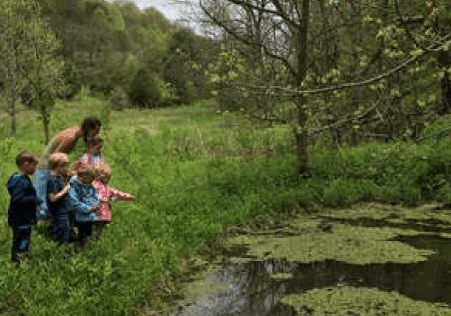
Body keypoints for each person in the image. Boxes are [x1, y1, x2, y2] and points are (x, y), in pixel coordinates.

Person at [34, 117, 101, 224]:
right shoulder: (71, 137)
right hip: (46, 169)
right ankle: (45, 230)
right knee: (43, 201)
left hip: (52, 168)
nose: (96, 134)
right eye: (95, 131)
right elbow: (55, 157)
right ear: (88, 128)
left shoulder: (75, 134)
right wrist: (65, 172)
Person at [6, 151, 43, 266]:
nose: (35, 169)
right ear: (26, 165)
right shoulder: (21, 181)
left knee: (23, 238)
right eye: (34, 166)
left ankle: (21, 256)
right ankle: (19, 260)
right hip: (21, 218)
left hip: (22, 217)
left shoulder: (19, 178)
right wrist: (34, 200)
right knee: (22, 238)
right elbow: (18, 199)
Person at [92, 163, 137, 240]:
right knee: (95, 233)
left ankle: (91, 245)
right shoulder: (96, 186)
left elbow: (116, 195)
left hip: (101, 215)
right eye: (108, 177)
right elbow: (116, 194)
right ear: (101, 176)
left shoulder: (105, 188)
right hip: (97, 214)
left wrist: (128, 197)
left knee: (96, 233)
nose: (109, 179)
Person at [46, 153, 74, 247]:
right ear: (59, 166)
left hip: (65, 211)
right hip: (59, 213)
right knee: (61, 234)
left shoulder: (60, 177)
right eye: (66, 166)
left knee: (66, 232)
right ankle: (60, 254)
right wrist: (66, 189)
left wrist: (67, 178)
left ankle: (63, 252)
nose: (67, 169)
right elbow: (52, 198)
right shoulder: (52, 179)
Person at [69, 163, 99, 248]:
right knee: (81, 235)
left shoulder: (90, 186)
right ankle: (79, 249)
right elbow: (75, 202)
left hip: (90, 215)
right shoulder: (74, 187)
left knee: (89, 234)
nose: (91, 181)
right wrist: (88, 208)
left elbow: (94, 197)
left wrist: (96, 206)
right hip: (80, 216)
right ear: (83, 177)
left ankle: (87, 249)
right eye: (90, 179)